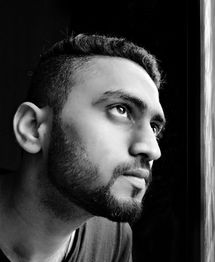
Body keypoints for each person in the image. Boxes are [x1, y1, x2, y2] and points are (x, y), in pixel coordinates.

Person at [0, 34, 166, 262]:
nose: (152, 149)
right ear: (33, 128)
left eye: (155, 127)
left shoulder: (114, 238)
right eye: (121, 109)